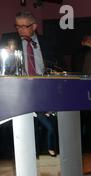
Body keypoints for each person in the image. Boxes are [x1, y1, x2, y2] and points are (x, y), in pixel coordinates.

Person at [1, 11, 58, 156]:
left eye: (24, 26)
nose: (20, 29)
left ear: (34, 26)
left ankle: (46, 153)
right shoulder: (8, 40)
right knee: (26, 126)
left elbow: (57, 65)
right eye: (17, 26)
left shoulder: (47, 42)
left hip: (43, 89)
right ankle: (27, 156)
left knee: (48, 125)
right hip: (20, 92)